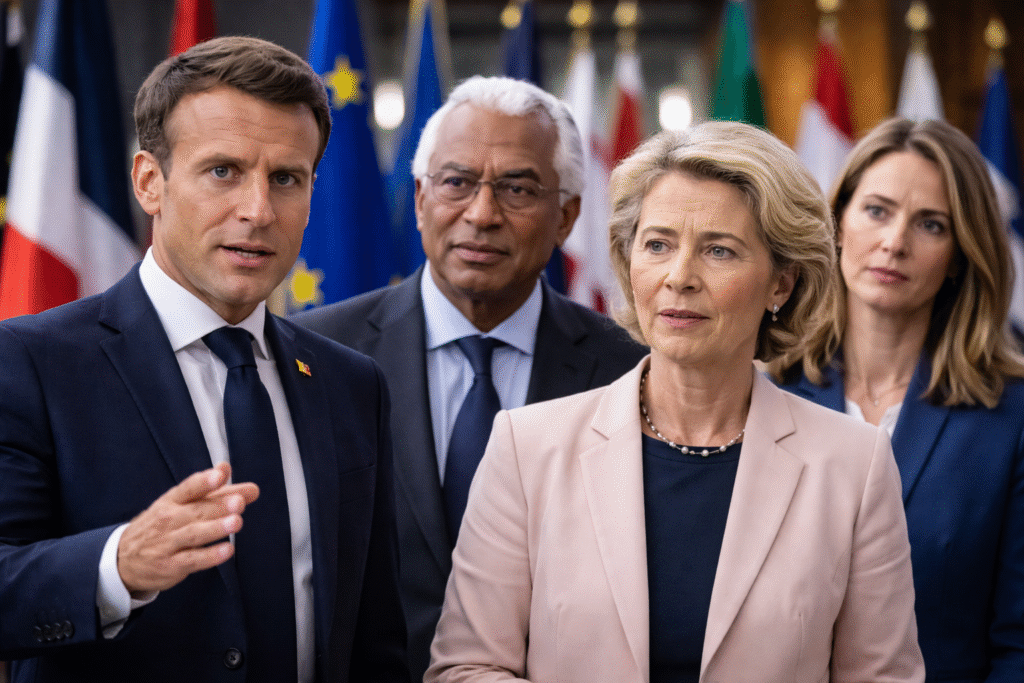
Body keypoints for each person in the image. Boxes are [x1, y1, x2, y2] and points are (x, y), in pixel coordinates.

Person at [425, 123, 925, 683]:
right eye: (658, 244)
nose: (679, 277)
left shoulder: (855, 466)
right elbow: (465, 668)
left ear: (781, 284)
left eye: (719, 250)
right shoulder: (527, 447)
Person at [0, 36, 406, 683]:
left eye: (286, 178)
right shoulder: (31, 363)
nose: (258, 209)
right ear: (149, 183)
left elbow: (374, 633)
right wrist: (116, 565)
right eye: (223, 171)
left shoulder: (351, 383)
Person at [293, 75, 646, 681]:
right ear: (422, 197)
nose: (482, 215)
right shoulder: (316, 353)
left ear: (565, 218)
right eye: (457, 183)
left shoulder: (627, 372)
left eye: (517, 189)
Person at [771, 117, 1024, 682]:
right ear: (837, 224)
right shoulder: (766, 393)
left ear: (960, 253)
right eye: (877, 211)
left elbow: (1020, 643)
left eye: (931, 224)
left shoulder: (1011, 420)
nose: (894, 242)